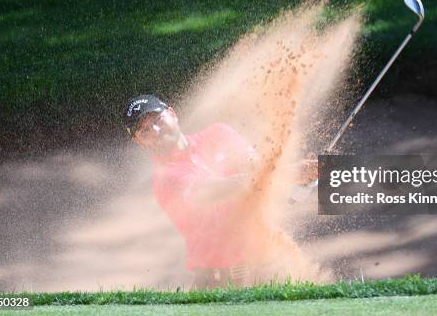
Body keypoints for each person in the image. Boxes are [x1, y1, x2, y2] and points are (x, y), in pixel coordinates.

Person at [124, 94, 318, 288]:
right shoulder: (165, 181)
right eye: (145, 130)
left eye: (157, 119)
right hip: (218, 284)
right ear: (139, 141)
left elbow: (259, 171)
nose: (155, 130)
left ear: (172, 114)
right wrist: (288, 173)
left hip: (267, 267)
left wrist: (303, 179)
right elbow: (221, 190)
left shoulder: (219, 134)